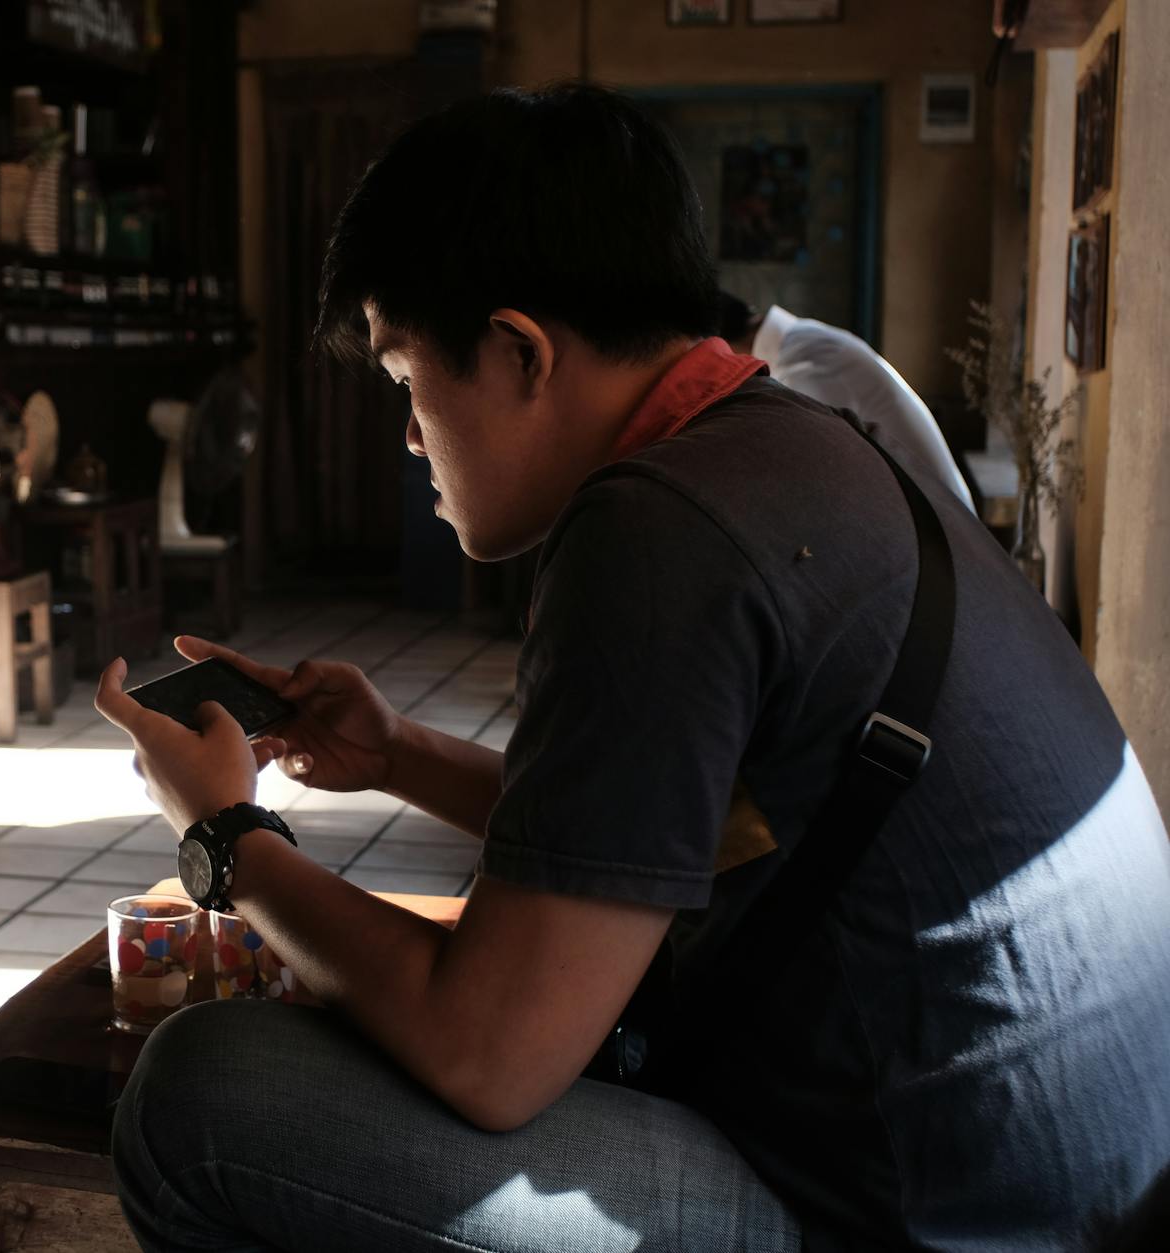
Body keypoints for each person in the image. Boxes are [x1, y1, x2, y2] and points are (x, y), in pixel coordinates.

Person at [92, 84, 1170, 1252]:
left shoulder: (652, 531)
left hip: (943, 1221)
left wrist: (227, 838)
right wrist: (398, 753)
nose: (407, 435)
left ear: (517, 351)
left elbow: (488, 1053)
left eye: (407, 381)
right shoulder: (786, 446)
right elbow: (656, 829)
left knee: (200, 1098)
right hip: (1074, 1184)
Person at [717, 292, 978, 515]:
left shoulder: (804, 361)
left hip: (940, 535)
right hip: (931, 523)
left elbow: (807, 470)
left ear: (718, 344)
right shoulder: (803, 340)